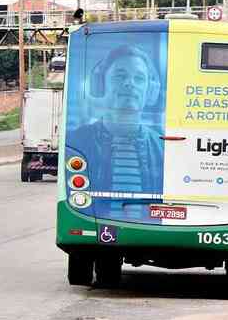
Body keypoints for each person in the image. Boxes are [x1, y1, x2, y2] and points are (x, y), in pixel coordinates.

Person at [69, 45, 164, 220]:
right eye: (120, 76)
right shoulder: (77, 141)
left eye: (139, 78)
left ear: (150, 91)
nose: (130, 83)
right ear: (100, 85)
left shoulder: (162, 147)